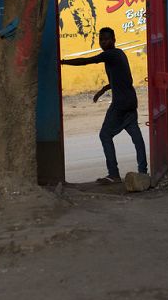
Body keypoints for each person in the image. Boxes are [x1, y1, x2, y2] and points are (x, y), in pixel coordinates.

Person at [61, 27, 148, 184]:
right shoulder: (120, 54)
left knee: (105, 135)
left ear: (114, 40)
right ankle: (143, 171)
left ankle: (113, 174)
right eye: (101, 40)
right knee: (136, 137)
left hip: (120, 104)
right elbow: (124, 79)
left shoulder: (110, 54)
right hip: (130, 101)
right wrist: (104, 89)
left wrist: (63, 62)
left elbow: (87, 61)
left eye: (107, 39)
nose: (103, 42)